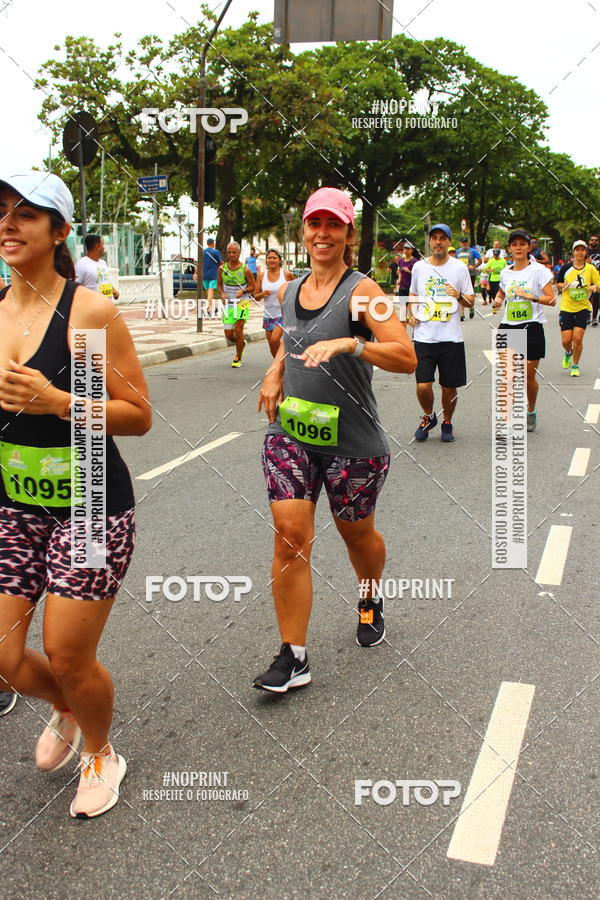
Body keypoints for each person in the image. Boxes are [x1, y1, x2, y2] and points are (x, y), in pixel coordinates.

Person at [0, 171, 152, 818]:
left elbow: (136, 413)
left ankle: (99, 750)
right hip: (15, 504)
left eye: (27, 214)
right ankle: (65, 703)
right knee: (5, 655)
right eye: (2, 211)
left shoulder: (84, 313)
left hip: (89, 499)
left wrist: (60, 401)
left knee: (67, 650)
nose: (8, 223)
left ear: (59, 231)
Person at [254, 187, 416, 692]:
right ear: (304, 230)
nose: (322, 233)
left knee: (357, 537)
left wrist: (354, 342)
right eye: (314, 224)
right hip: (292, 433)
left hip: (354, 443)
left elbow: (406, 356)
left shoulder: (364, 292)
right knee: (290, 536)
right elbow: (292, 342)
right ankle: (293, 656)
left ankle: (369, 596)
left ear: (349, 233)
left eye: (333, 224)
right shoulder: (288, 290)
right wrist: (275, 371)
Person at [408, 224, 474, 443]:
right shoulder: (419, 267)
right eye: (434, 238)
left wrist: (458, 295)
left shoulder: (459, 268)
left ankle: (447, 421)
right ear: (429, 241)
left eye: (442, 238)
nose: (438, 242)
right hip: (424, 336)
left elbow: (470, 301)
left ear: (448, 242)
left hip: (451, 338)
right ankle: (429, 417)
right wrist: (411, 313)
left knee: (449, 386)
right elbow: (414, 294)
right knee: (423, 385)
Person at [493, 229, 555, 431]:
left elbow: (552, 299)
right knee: (508, 376)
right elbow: (503, 289)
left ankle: (531, 409)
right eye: (514, 244)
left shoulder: (539, 271)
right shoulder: (505, 272)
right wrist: (499, 299)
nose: (518, 247)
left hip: (532, 327)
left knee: (527, 377)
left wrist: (532, 297)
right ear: (509, 248)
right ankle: (508, 421)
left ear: (529, 247)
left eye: (522, 244)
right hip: (508, 326)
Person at [556, 240, 600, 376]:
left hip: (583, 307)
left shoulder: (591, 268)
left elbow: (598, 284)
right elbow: (558, 283)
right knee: (566, 340)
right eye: (577, 250)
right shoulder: (566, 268)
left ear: (586, 252)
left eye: (582, 250)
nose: (580, 252)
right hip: (567, 307)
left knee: (578, 338)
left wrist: (595, 287)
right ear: (573, 252)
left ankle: (575, 365)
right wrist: (563, 286)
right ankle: (568, 352)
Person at [217, 242, 256, 368]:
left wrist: (243, 291)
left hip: (242, 303)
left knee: (238, 330)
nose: (232, 255)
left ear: (239, 253)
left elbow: (253, 286)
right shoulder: (222, 269)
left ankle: (238, 357)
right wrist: (222, 294)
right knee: (229, 335)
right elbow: (219, 284)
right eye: (229, 252)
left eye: (234, 252)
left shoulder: (245, 269)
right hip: (229, 304)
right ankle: (241, 343)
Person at [254, 249, 294, 358]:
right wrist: (262, 294)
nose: (271, 260)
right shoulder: (261, 276)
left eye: (274, 258)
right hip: (268, 314)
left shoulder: (286, 274)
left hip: (282, 313)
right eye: (269, 258)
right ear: (266, 260)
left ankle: (283, 364)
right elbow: (256, 296)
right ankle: (280, 366)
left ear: (279, 260)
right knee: (272, 344)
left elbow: (296, 291)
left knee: (275, 339)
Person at [74, 234, 119, 302]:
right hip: (91, 307)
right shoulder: (81, 264)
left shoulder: (103, 263)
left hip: (106, 305)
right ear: (97, 246)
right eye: (102, 245)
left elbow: (103, 281)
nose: (104, 248)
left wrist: (113, 291)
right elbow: (74, 287)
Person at [455, 237, 481, 319]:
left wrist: (474, 266)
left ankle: (471, 307)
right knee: (461, 293)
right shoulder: (458, 252)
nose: (464, 244)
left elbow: (480, 260)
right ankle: (462, 313)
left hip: (470, 274)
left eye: (466, 242)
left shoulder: (472, 251)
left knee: (469, 293)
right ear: (460, 243)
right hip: (460, 274)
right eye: (463, 242)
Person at [202, 238, 222, 306]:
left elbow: (198, 263)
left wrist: (195, 273)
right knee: (210, 291)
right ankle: (208, 307)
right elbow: (221, 263)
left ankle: (209, 305)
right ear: (213, 243)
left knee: (208, 291)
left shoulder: (202, 252)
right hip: (213, 274)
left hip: (204, 274)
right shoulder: (216, 252)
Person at [587, 235, 600, 326]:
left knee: (596, 297)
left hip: (597, 277)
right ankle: (587, 316)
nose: (594, 242)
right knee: (586, 298)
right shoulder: (585, 251)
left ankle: (594, 318)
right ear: (589, 241)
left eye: (596, 240)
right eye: (592, 240)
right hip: (587, 276)